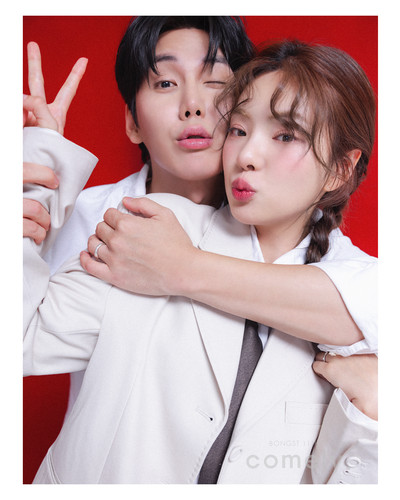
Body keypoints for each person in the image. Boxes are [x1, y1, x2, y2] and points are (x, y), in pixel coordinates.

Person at [23, 34, 377, 483]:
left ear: (341, 168)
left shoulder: (364, 288)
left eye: (286, 135)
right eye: (238, 130)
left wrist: (374, 419)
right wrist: (33, 173)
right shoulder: (152, 228)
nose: (247, 156)